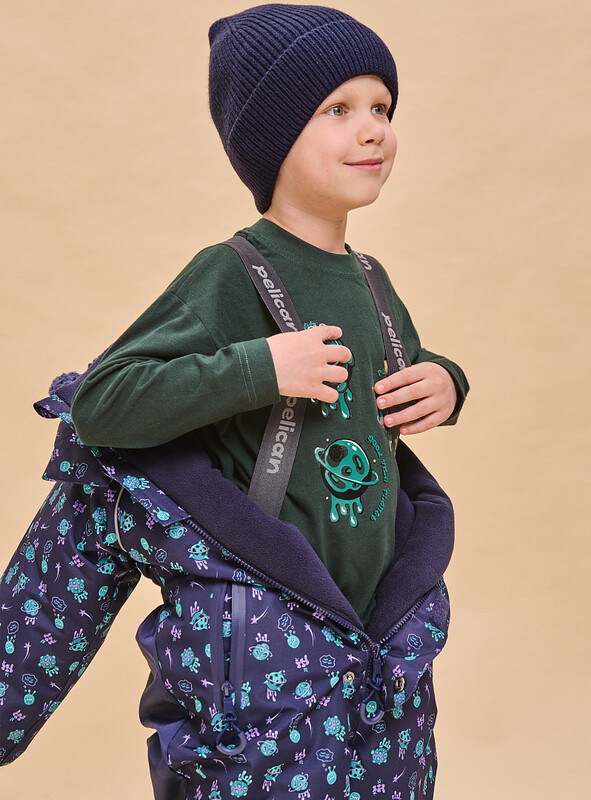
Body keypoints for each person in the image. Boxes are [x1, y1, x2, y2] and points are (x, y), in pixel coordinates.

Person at [0, 5, 469, 799]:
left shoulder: (371, 280)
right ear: (272, 137)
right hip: (267, 639)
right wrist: (259, 368)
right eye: (338, 109)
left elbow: (402, 374)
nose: (374, 130)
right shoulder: (230, 273)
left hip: (370, 641)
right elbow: (104, 403)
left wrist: (448, 382)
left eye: (383, 108)